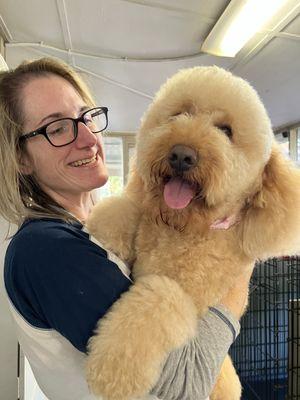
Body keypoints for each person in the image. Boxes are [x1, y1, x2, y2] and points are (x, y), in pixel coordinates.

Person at [0, 57, 252, 400]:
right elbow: (187, 384)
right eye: (58, 128)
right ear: (21, 159)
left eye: (86, 117)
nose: (88, 138)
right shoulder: (46, 250)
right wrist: (239, 263)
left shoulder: (92, 227)